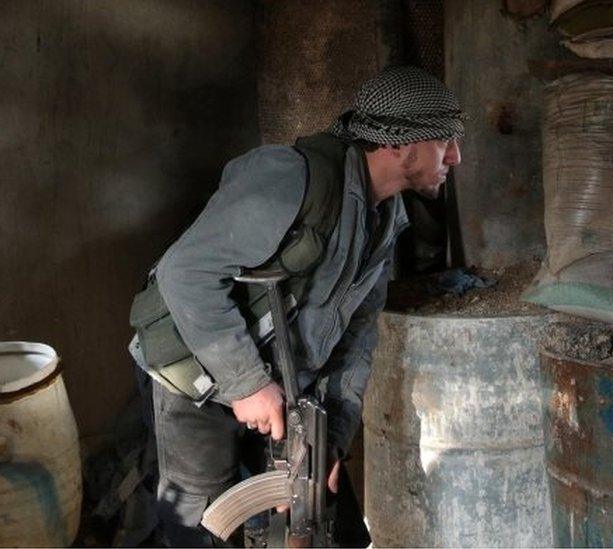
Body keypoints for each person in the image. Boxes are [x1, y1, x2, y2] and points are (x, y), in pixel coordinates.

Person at [128, 66, 464, 547]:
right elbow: (186, 273)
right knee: (197, 530)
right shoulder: (291, 178)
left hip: (280, 384)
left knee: (331, 524)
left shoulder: (386, 217)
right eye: (443, 141)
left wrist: (336, 436)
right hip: (195, 369)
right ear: (398, 144)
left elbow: (357, 338)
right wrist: (247, 383)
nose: (456, 156)